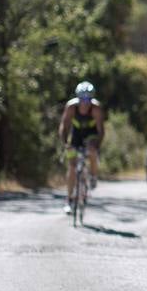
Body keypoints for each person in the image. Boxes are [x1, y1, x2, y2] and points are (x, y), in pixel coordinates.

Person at [58, 80, 105, 214]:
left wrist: (97, 146)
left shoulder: (96, 108)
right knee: (72, 166)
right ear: (78, 98)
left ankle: (93, 176)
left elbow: (101, 131)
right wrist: (65, 144)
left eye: (88, 99)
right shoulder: (71, 107)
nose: (85, 102)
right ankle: (69, 199)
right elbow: (64, 126)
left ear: (92, 98)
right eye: (82, 99)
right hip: (76, 136)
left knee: (91, 151)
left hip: (91, 135)